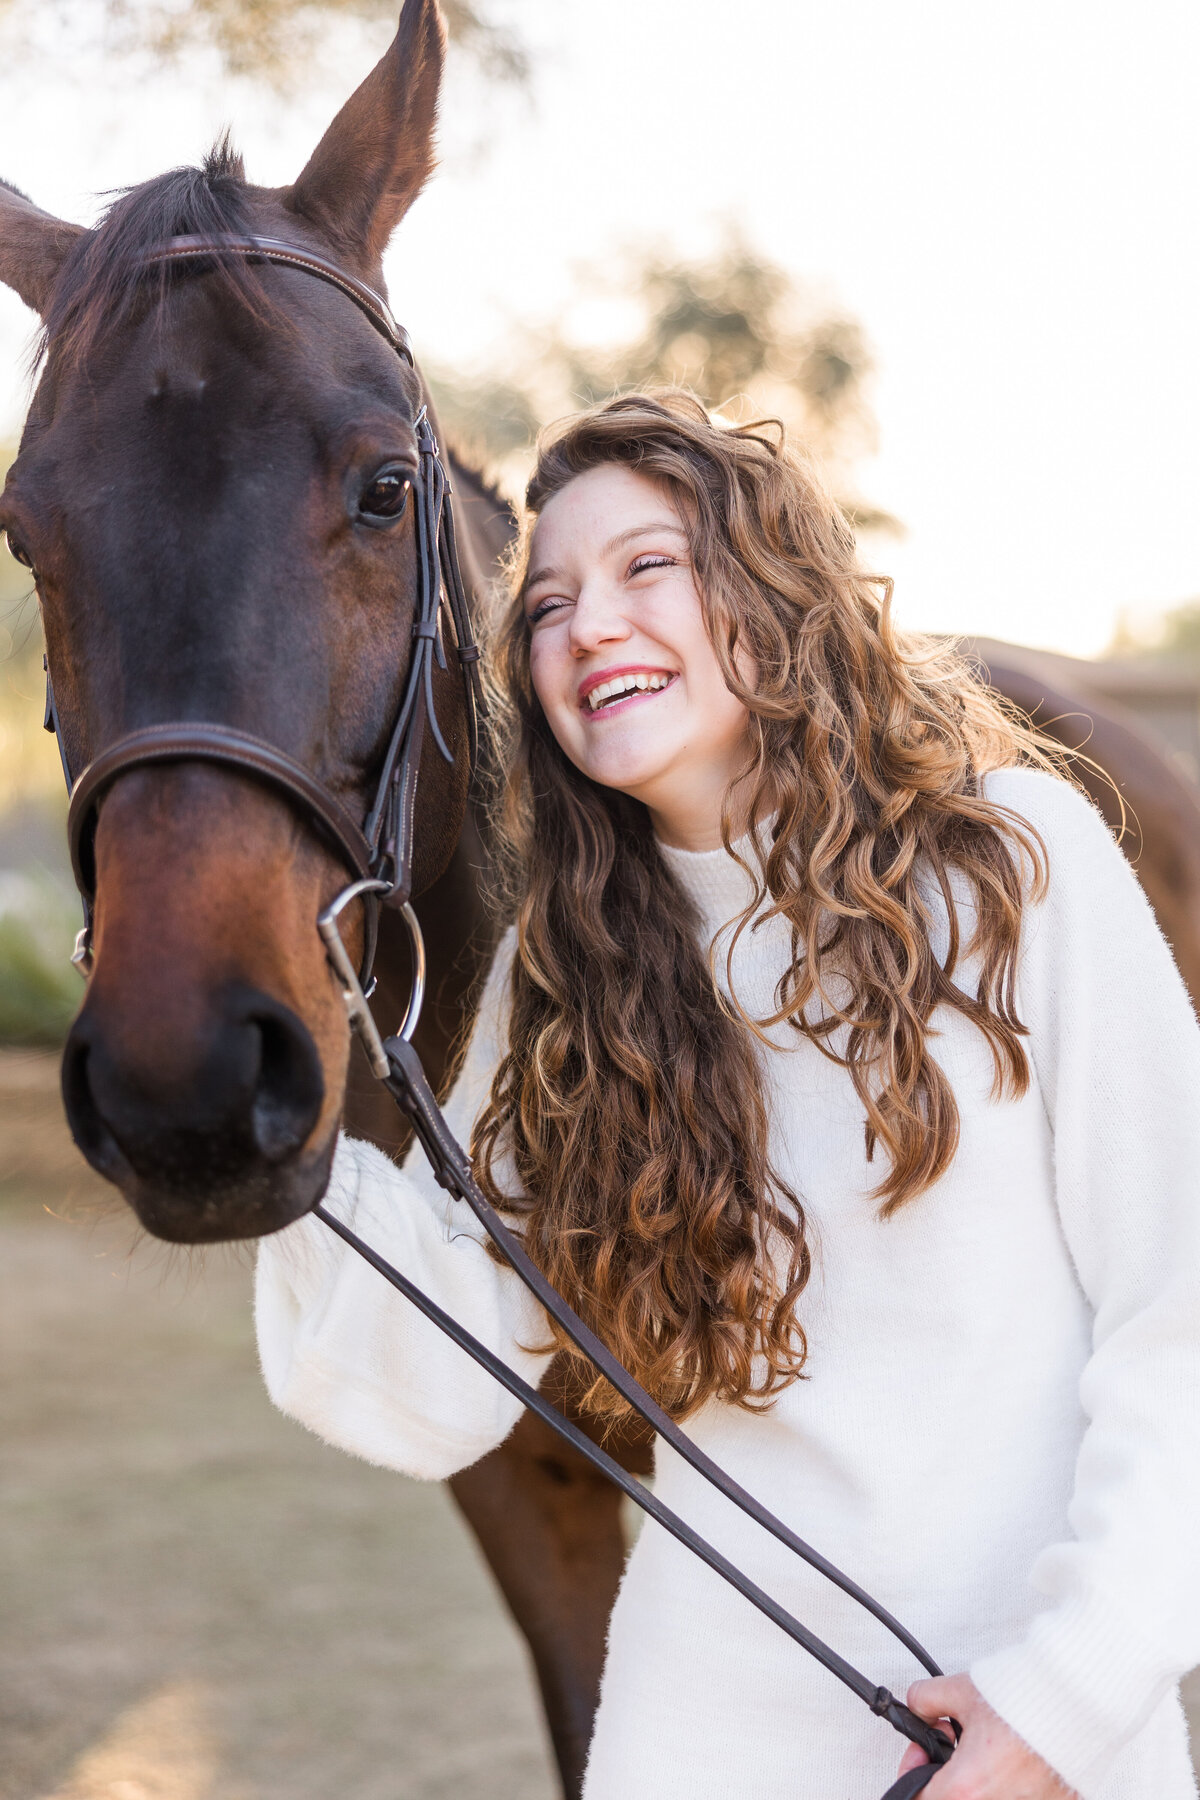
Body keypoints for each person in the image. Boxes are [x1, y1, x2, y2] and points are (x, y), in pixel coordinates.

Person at [255, 390, 1200, 1800]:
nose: (586, 624)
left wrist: (1059, 1704)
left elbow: (1179, 1306)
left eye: (646, 567)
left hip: (1036, 1731)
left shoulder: (1017, 868)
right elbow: (446, 1367)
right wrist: (272, 1110)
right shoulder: (561, 976)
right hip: (699, 1741)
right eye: (549, 604)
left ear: (770, 591)